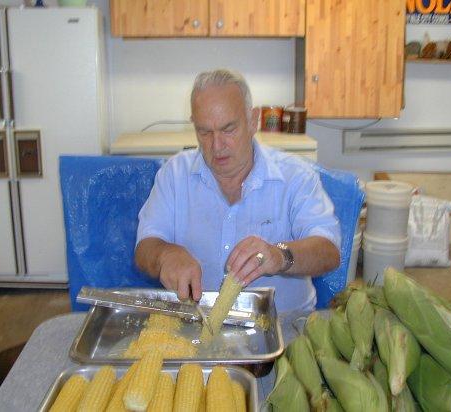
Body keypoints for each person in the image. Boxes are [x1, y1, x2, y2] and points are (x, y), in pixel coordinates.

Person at [135, 69, 340, 312]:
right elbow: (145, 248)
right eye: (205, 132)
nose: (217, 145)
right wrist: (166, 255)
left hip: (285, 327)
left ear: (253, 121)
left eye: (228, 129)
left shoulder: (295, 177)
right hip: (196, 325)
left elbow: (329, 251)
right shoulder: (174, 175)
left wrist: (280, 255)